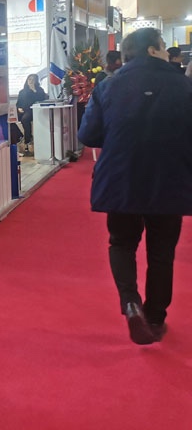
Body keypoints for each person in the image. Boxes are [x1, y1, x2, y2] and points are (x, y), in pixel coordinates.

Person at [78, 27, 192, 345]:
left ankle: (130, 303)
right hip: (170, 179)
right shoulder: (185, 86)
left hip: (121, 178)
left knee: (122, 243)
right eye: (163, 47)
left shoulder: (108, 86)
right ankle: (155, 317)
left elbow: (88, 135)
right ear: (153, 50)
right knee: (162, 252)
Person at [15, 74, 47, 154]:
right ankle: (21, 138)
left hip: (34, 110)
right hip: (23, 110)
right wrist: (18, 108)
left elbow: (41, 100)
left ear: (36, 81)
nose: (31, 81)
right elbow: (18, 103)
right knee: (13, 120)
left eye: (33, 80)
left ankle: (27, 140)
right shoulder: (22, 92)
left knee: (25, 119)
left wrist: (34, 90)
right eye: (29, 79)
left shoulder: (40, 90)